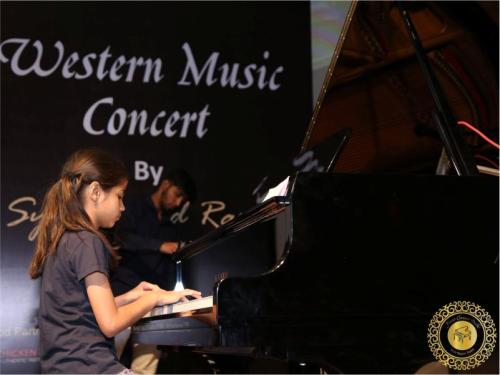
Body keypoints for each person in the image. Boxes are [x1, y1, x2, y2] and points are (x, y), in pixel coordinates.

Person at [28, 149, 201, 374]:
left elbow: (80, 309)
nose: (123, 207)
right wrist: (154, 297)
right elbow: (110, 324)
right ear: (96, 192)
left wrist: (131, 296)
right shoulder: (89, 241)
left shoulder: (66, 237)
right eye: (119, 196)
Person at [110, 169, 196, 374]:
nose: (177, 203)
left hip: (153, 303)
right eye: (177, 194)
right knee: (107, 360)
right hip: (123, 295)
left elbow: (167, 269)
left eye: (182, 200)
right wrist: (160, 246)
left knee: (146, 367)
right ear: (165, 184)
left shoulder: (170, 224)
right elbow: (120, 239)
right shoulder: (131, 206)